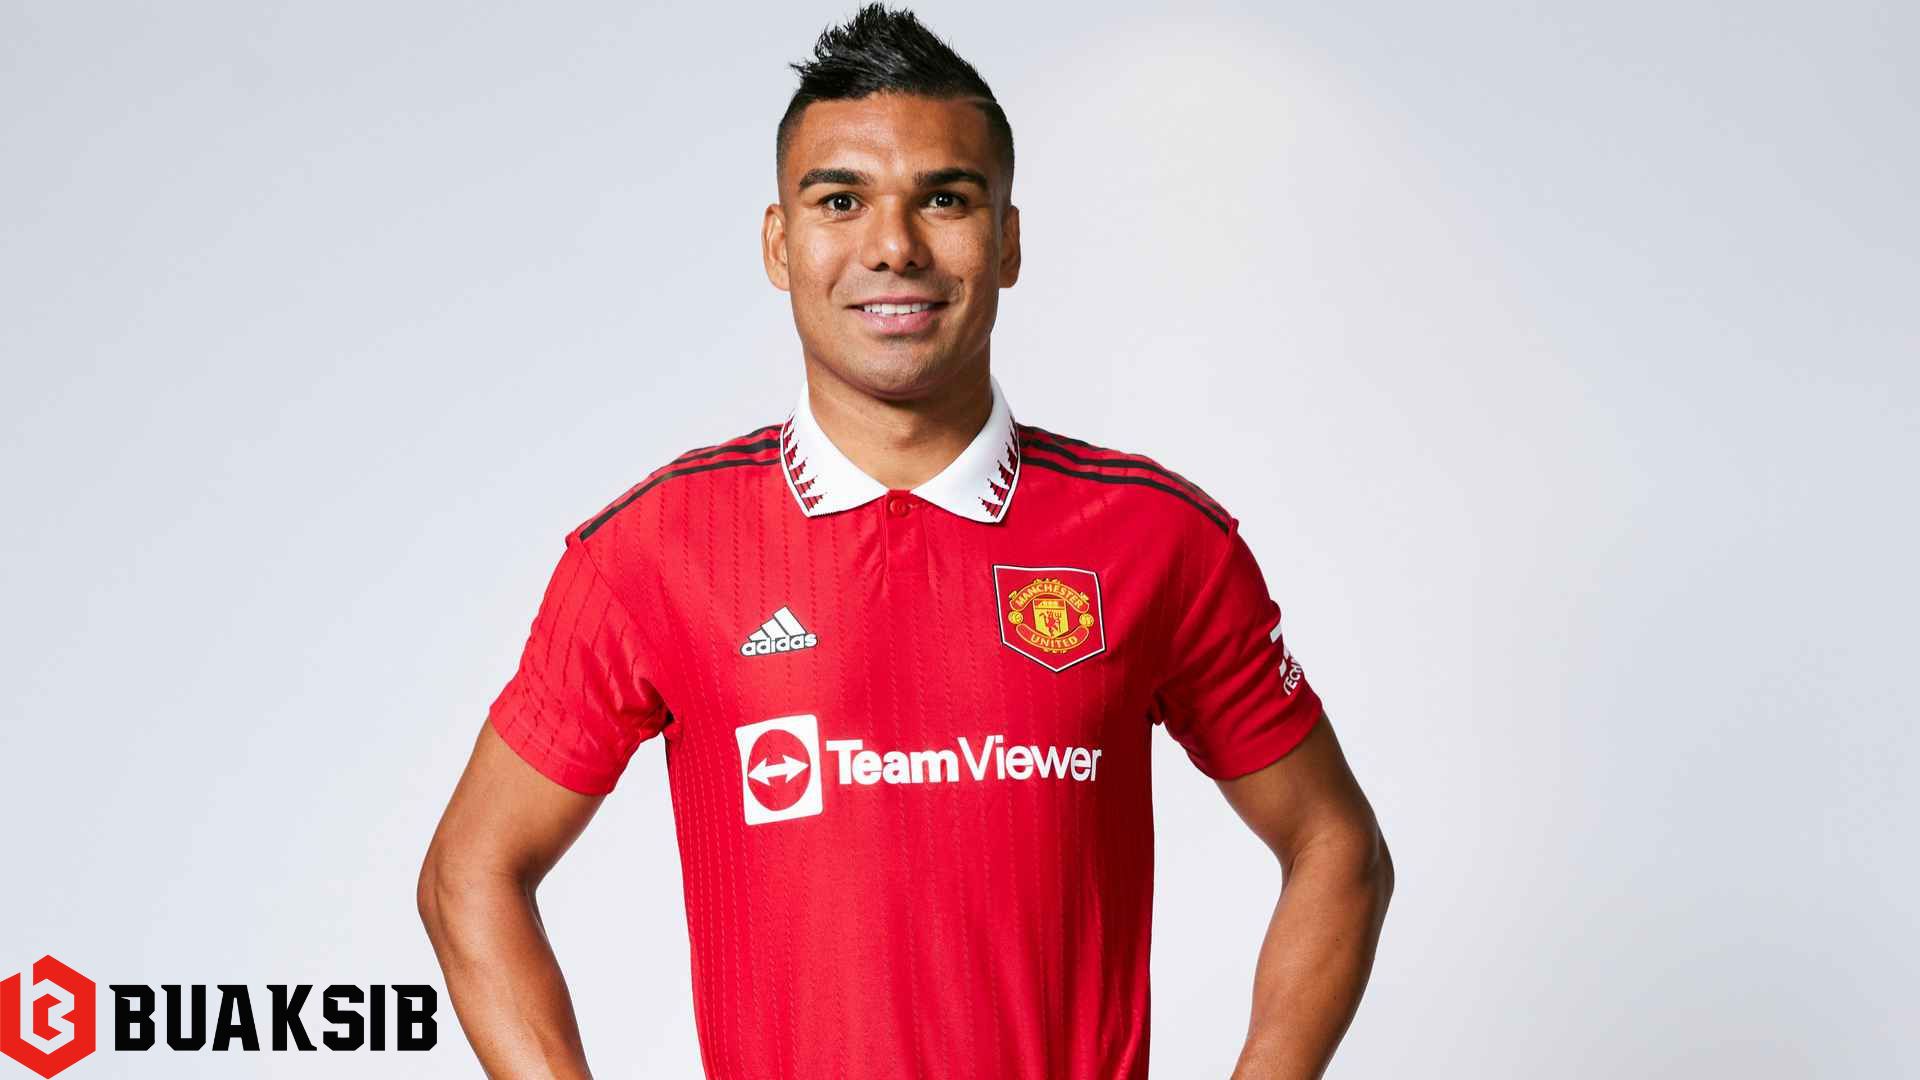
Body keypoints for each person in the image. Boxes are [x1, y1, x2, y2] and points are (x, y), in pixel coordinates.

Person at [416, 5, 1393, 1077]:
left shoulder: (1159, 538)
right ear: (780, 244)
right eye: (841, 201)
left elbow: (1336, 847)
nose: (893, 246)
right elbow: (470, 872)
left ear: (1007, 241)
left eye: (945, 199)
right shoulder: (656, 551)